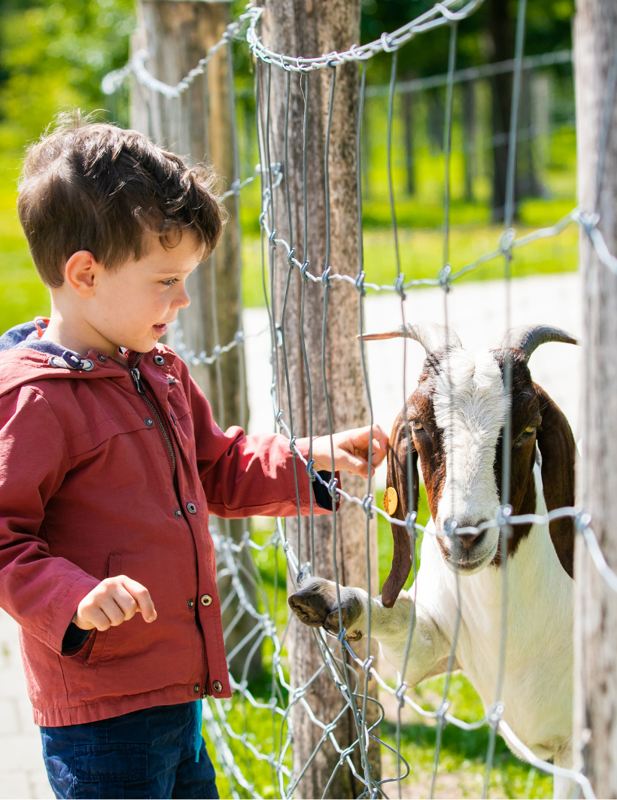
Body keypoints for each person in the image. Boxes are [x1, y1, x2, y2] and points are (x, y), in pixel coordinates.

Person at [0, 114, 388, 799]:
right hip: (100, 719)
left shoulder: (159, 368)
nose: (181, 300)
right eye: (165, 281)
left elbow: (216, 467)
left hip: (175, 696)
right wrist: (76, 598)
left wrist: (314, 462)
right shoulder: (35, 400)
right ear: (85, 273)